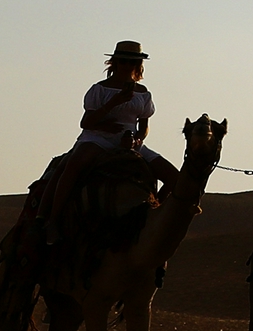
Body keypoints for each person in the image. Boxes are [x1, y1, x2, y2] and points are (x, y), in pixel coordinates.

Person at [38, 41, 179, 244]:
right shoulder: (100, 90)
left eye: (132, 61)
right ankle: (52, 220)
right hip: (98, 138)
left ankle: (153, 213)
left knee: (175, 178)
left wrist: (139, 138)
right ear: (114, 62)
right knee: (73, 165)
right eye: (123, 61)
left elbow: (144, 125)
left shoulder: (143, 92)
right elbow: (86, 122)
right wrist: (114, 104)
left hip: (131, 141)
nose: (127, 65)